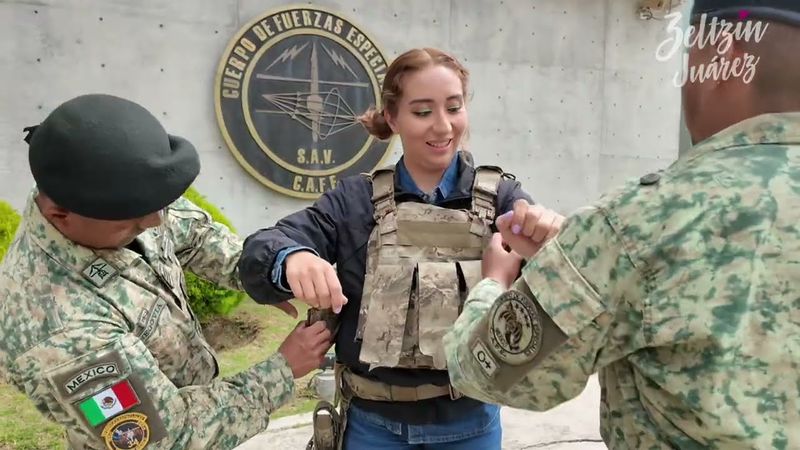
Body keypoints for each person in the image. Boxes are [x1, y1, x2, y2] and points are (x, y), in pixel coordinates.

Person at [443, 1, 800, 448]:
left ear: (724, 56)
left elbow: (490, 370)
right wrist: (574, 257)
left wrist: (493, 282)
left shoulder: (642, 220)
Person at [237, 48, 563, 450]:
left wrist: (547, 242)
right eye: (422, 112)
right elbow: (261, 250)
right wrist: (292, 259)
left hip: (471, 424)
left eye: (454, 107)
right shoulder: (354, 202)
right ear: (392, 117)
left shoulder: (501, 200)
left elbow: (558, 290)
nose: (443, 126)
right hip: (373, 428)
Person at [0, 94, 332, 450]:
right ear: (59, 214)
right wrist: (282, 369)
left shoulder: (113, 191)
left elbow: (195, 235)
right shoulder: (59, 328)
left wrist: (265, 272)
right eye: (136, 216)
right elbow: (170, 438)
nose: (156, 220)